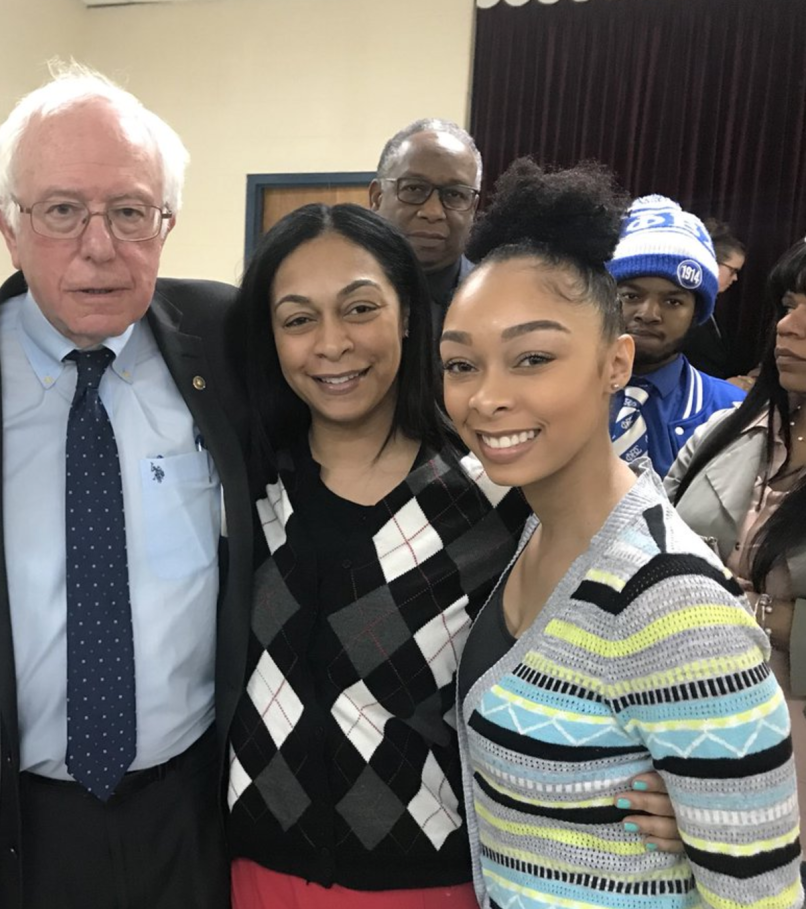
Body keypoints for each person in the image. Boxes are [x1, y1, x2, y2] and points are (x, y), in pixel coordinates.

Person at [225, 202, 679, 909]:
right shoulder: (242, 487)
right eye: (296, 319)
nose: (332, 343)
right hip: (255, 869)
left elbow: (651, 643)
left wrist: (689, 788)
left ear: (407, 313)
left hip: (434, 879)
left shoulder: (497, 495)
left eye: (359, 308)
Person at [0, 64, 252, 909]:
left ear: (166, 222)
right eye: (61, 211)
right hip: (10, 816)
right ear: (6, 224)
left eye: (130, 212)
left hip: (189, 805)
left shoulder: (226, 339)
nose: (99, 246)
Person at [441, 160, 802, 909]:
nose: (486, 396)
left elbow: (760, 898)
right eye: (460, 363)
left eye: (532, 357)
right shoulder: (527, 532)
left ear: (614, 362)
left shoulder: (673, 606)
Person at [666, 237, 806, 831]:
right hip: (676, 715)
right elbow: (647, 551)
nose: (789, 327)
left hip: (788, 745)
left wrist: (733, 604)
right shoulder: (723, 430)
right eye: (788, 304)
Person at [608, 195, 746, 476]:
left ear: (697, 313)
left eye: (673, 302)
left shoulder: (732, 414)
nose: (648, 313)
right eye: (631, 295)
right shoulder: (556, 391)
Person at [368, 119, 483, 342]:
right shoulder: (336, 293)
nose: (433, 212)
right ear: (377, 197)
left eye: (455, 194)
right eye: (414, 188)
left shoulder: (496, 301)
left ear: (473, 207)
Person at [683, 218, 747, 380]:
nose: (735, 279)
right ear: (710, 262)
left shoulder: (708, 308)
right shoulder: (684, 310)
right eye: (732, 270)